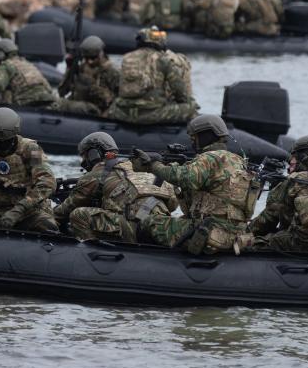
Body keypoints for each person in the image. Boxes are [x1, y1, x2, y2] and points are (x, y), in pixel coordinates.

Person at [132, 114, 257, 255]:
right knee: (181, 220)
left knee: (148, 222)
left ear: (206, 135)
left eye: (194, 138)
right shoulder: (238, 161)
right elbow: (190, 206)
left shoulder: (209, 158)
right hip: (232, 233)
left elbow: (184, 177)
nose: (192, 142)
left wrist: (153, 166)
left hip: (208, 230)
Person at [55, 132, 177, 242]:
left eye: (85, 157)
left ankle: (95, 252)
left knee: (78, 214)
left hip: (136, 229)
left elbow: (66, 208)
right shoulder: (140, 168)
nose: (84, 162)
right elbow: (172, 204)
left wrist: (46, 213)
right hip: (162, 228)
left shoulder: (96, 174)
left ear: (93, 154)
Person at [106, 27, 198, 125]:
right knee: (191, 107)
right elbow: (180, 92)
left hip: (123, 113)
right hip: (151, 115)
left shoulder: (127, 58)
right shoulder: (162, 59)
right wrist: (184, 102)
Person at [0, 39, 58, 108]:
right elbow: (48, 87)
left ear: (0, 55)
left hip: (27, 103)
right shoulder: (27, 64)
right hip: (47, 101)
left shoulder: (7, 65)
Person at [57, 35, 119, 116]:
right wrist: (69, 69)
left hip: (95, 111)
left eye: (93, 58)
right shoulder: (81, 67)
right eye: (86, 58)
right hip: (75, 108)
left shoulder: (113, 72)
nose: (90, 62)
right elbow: (62, 92)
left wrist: (91, 83)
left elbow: (115, 100)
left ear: (101, 53)